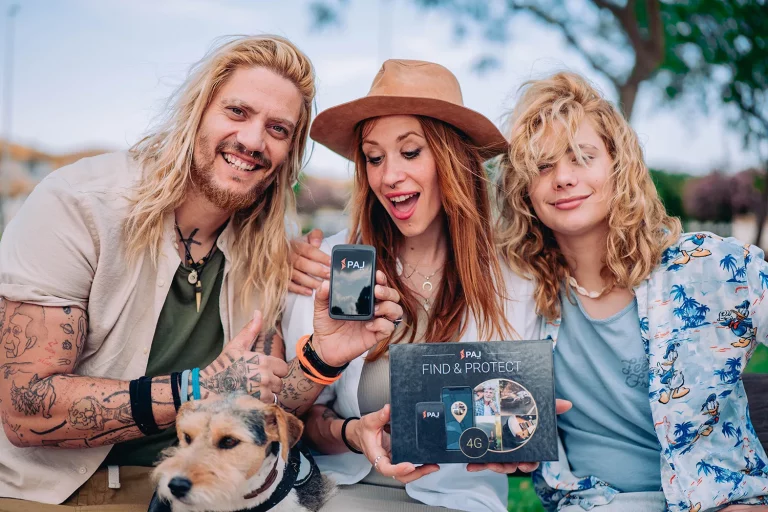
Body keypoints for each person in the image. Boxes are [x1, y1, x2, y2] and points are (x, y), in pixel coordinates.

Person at [0, 35, 403, 511]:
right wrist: (199, 388)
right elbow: (26, 408)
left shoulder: (268, 248)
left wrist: (324, 357)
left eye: (278, 129)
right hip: (60, 491)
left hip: (216, 492)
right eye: (237, 112)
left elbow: (265, 410)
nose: (253, 141)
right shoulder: (79, 206)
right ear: (197, 112)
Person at [282, 59, 556, 512]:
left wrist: (521, 450)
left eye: (410, 152)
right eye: (374, 157)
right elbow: (288, 418)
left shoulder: (518, 280)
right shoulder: (329, 266)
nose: (388, 176)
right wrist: (351, 433)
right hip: (335, 496)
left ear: (454, 159)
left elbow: (523, 425)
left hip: (459, 503)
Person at [497, 71, 768, 512]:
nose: (563, 178)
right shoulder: (524, 294)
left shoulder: (710, 265)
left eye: (582, 157)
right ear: (524, 190)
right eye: (543, 166)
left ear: (618, 166)